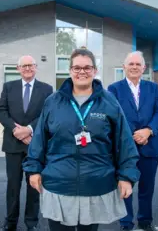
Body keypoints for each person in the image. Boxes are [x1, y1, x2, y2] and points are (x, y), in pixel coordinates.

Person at [22, 47, 140, 231]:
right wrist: (34, 169)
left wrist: (126, 175)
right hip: (59, 184)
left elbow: (124, 141)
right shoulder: (53, 101)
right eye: (77, 68)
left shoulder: (109, 102)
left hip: (95, 183)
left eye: (87, 68)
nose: (82, 72)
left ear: (95, 70)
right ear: (70, 71)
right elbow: (39, 139)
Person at [108, 51, 158, 231]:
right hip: (125, 148)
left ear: (144, 68)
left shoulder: (153, 88)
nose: (134, 67)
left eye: (137, 64)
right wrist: (133, 135)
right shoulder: (114, 89)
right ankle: (126, 223)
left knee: (147, 189)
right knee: (125, 187)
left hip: (149, 146)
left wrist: (148, 131)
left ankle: (145, 221)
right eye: (130, 64)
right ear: (124, 67)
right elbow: (112, 116)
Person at [0, 55, 53, 231]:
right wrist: (15, 130)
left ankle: (31, 223)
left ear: (36, 67)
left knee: (34, 185)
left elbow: (48, 114)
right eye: (24, 66)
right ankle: (10, 222)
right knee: (13, 186)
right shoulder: (8, 87)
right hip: (13, 144)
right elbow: (1, 110)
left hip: (34, 145)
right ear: (18, 68)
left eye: (31, 65)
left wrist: (29, 129)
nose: (27, 68)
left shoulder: (46, 89)